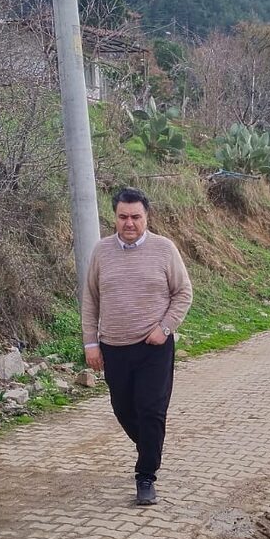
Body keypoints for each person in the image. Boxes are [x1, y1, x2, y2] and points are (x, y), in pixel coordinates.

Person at [82, 187, 194, 507]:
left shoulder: (164, 249)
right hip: (114, 346)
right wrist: (91, 342)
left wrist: (165, 328)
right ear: (114, 217)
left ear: (147, 217)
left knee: (151, 410)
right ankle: (149, 445)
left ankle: (146, 475)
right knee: (123, 409)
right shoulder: (101, 252)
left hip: (153, 346)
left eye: (136, 217)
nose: (129, 223)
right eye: (123, 217)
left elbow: (183, 293)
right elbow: (91, 300)